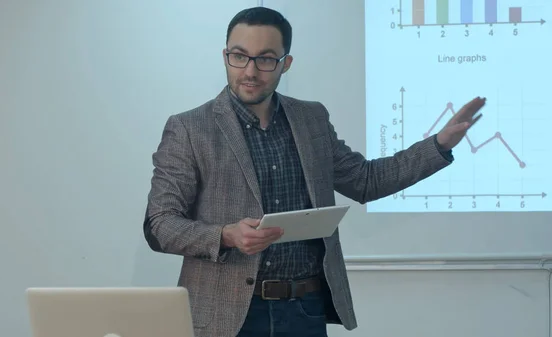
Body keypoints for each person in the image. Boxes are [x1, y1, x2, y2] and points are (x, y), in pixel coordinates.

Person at [143, 6, 485, 337]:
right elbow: (160, 225)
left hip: (304, 309)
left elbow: (365, 181)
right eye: (239, 56)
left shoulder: (311, 119)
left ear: (285, 63)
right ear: (225, 56)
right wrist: (225, 235)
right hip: (225, 315)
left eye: (264, 59)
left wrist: (439, 144)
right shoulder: (190, 129)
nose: (249, 71)